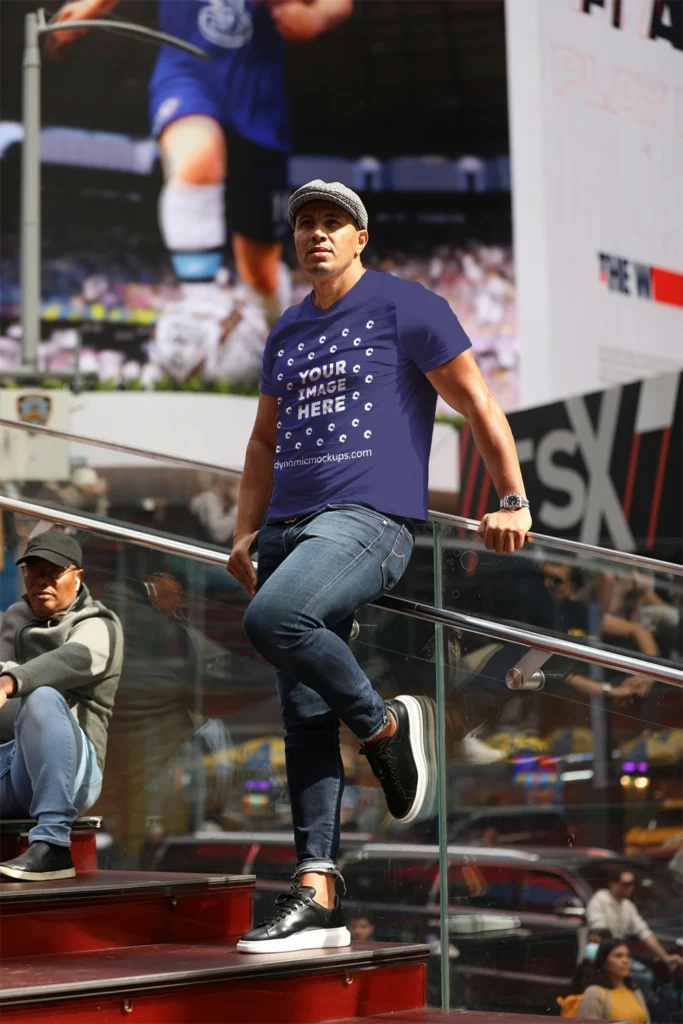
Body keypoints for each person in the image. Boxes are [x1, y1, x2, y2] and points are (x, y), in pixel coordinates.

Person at [227, 180, 532, 953]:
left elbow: (477, 401)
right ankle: (317, 889)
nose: (317, 234)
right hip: (286, 530)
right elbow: (263, 441)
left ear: (361, 238)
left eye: (333, 223)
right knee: (300, 721)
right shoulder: (288, 329)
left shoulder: (406, 305)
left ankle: (385, 724)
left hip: (370, 522)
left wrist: (512, 497)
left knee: (273, 619)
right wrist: (243, 529)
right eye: (305, 224)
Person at [49, 0, 353, 386]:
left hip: (257, 92)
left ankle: (279, 331)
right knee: (198, 158)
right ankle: (201, 301)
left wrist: (320, 13)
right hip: (187, 68)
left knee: (259, 269)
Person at [0, 531, 123, 880]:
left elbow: (72, 660)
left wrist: (10, 681)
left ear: (77, 576)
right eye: (32, 571)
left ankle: (53, 844)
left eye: (52, 572)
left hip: (74, 774)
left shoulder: (100, 625)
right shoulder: (15, 616)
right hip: (10, 765)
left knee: (42, 696)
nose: (41, 582)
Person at [586, 866, 683, 970]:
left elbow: (644, 932)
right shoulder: (599, 900)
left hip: (617, 954)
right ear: (613, 884)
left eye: (632, 884)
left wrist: (665, 957)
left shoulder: (627, 905)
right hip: (600, 957)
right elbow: (600, 931)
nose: (630, 888)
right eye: (626, 884)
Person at [577, 938, 650, 1024]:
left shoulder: (634, 991)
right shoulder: (594, 993)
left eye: (628, 956)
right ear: (604, 962)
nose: (625, 961)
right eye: (618, 956)